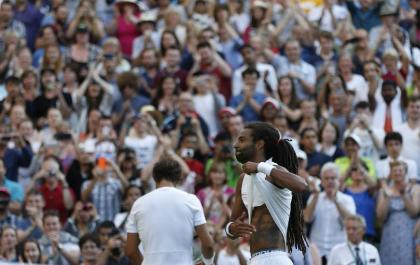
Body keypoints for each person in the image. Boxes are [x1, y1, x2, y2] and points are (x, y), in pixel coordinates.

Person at [226, 122, 307, 264]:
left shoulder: (274, 172)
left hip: (276, 259)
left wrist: (260, 167)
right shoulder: (242, 180)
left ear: (259, 144)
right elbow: (232, 222)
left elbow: (301, 185)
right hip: (255, 259)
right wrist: (231, 229)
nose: (235, 145)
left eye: (242, 140)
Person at [125, 159, 215, 265]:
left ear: (154, 178)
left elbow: (131, 251)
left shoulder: (138, 204)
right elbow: (208, 245)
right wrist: (208, 262)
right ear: (178, 178)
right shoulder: (191, 200)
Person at [304, 162, 356, 264]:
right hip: (317, 252)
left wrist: (335, 200)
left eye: (333, 178)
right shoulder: (315, 197)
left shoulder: (347, 199)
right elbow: (307, 218)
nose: (330, 181)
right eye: (326, 178)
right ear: (322, 181)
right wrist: (315, 195)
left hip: (339, 251)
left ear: (339, 181)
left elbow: (350, 221)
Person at [376, 161, 420, 265]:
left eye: (400, 170)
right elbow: (380, 217)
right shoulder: (384, 191)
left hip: (409, 234)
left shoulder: (415, 188)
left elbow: (414, 212)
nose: (397, 173)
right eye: (394, 170)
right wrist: (387, 196)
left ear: (405, 172)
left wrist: (403, 195)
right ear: (390, 173)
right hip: (390, 234)